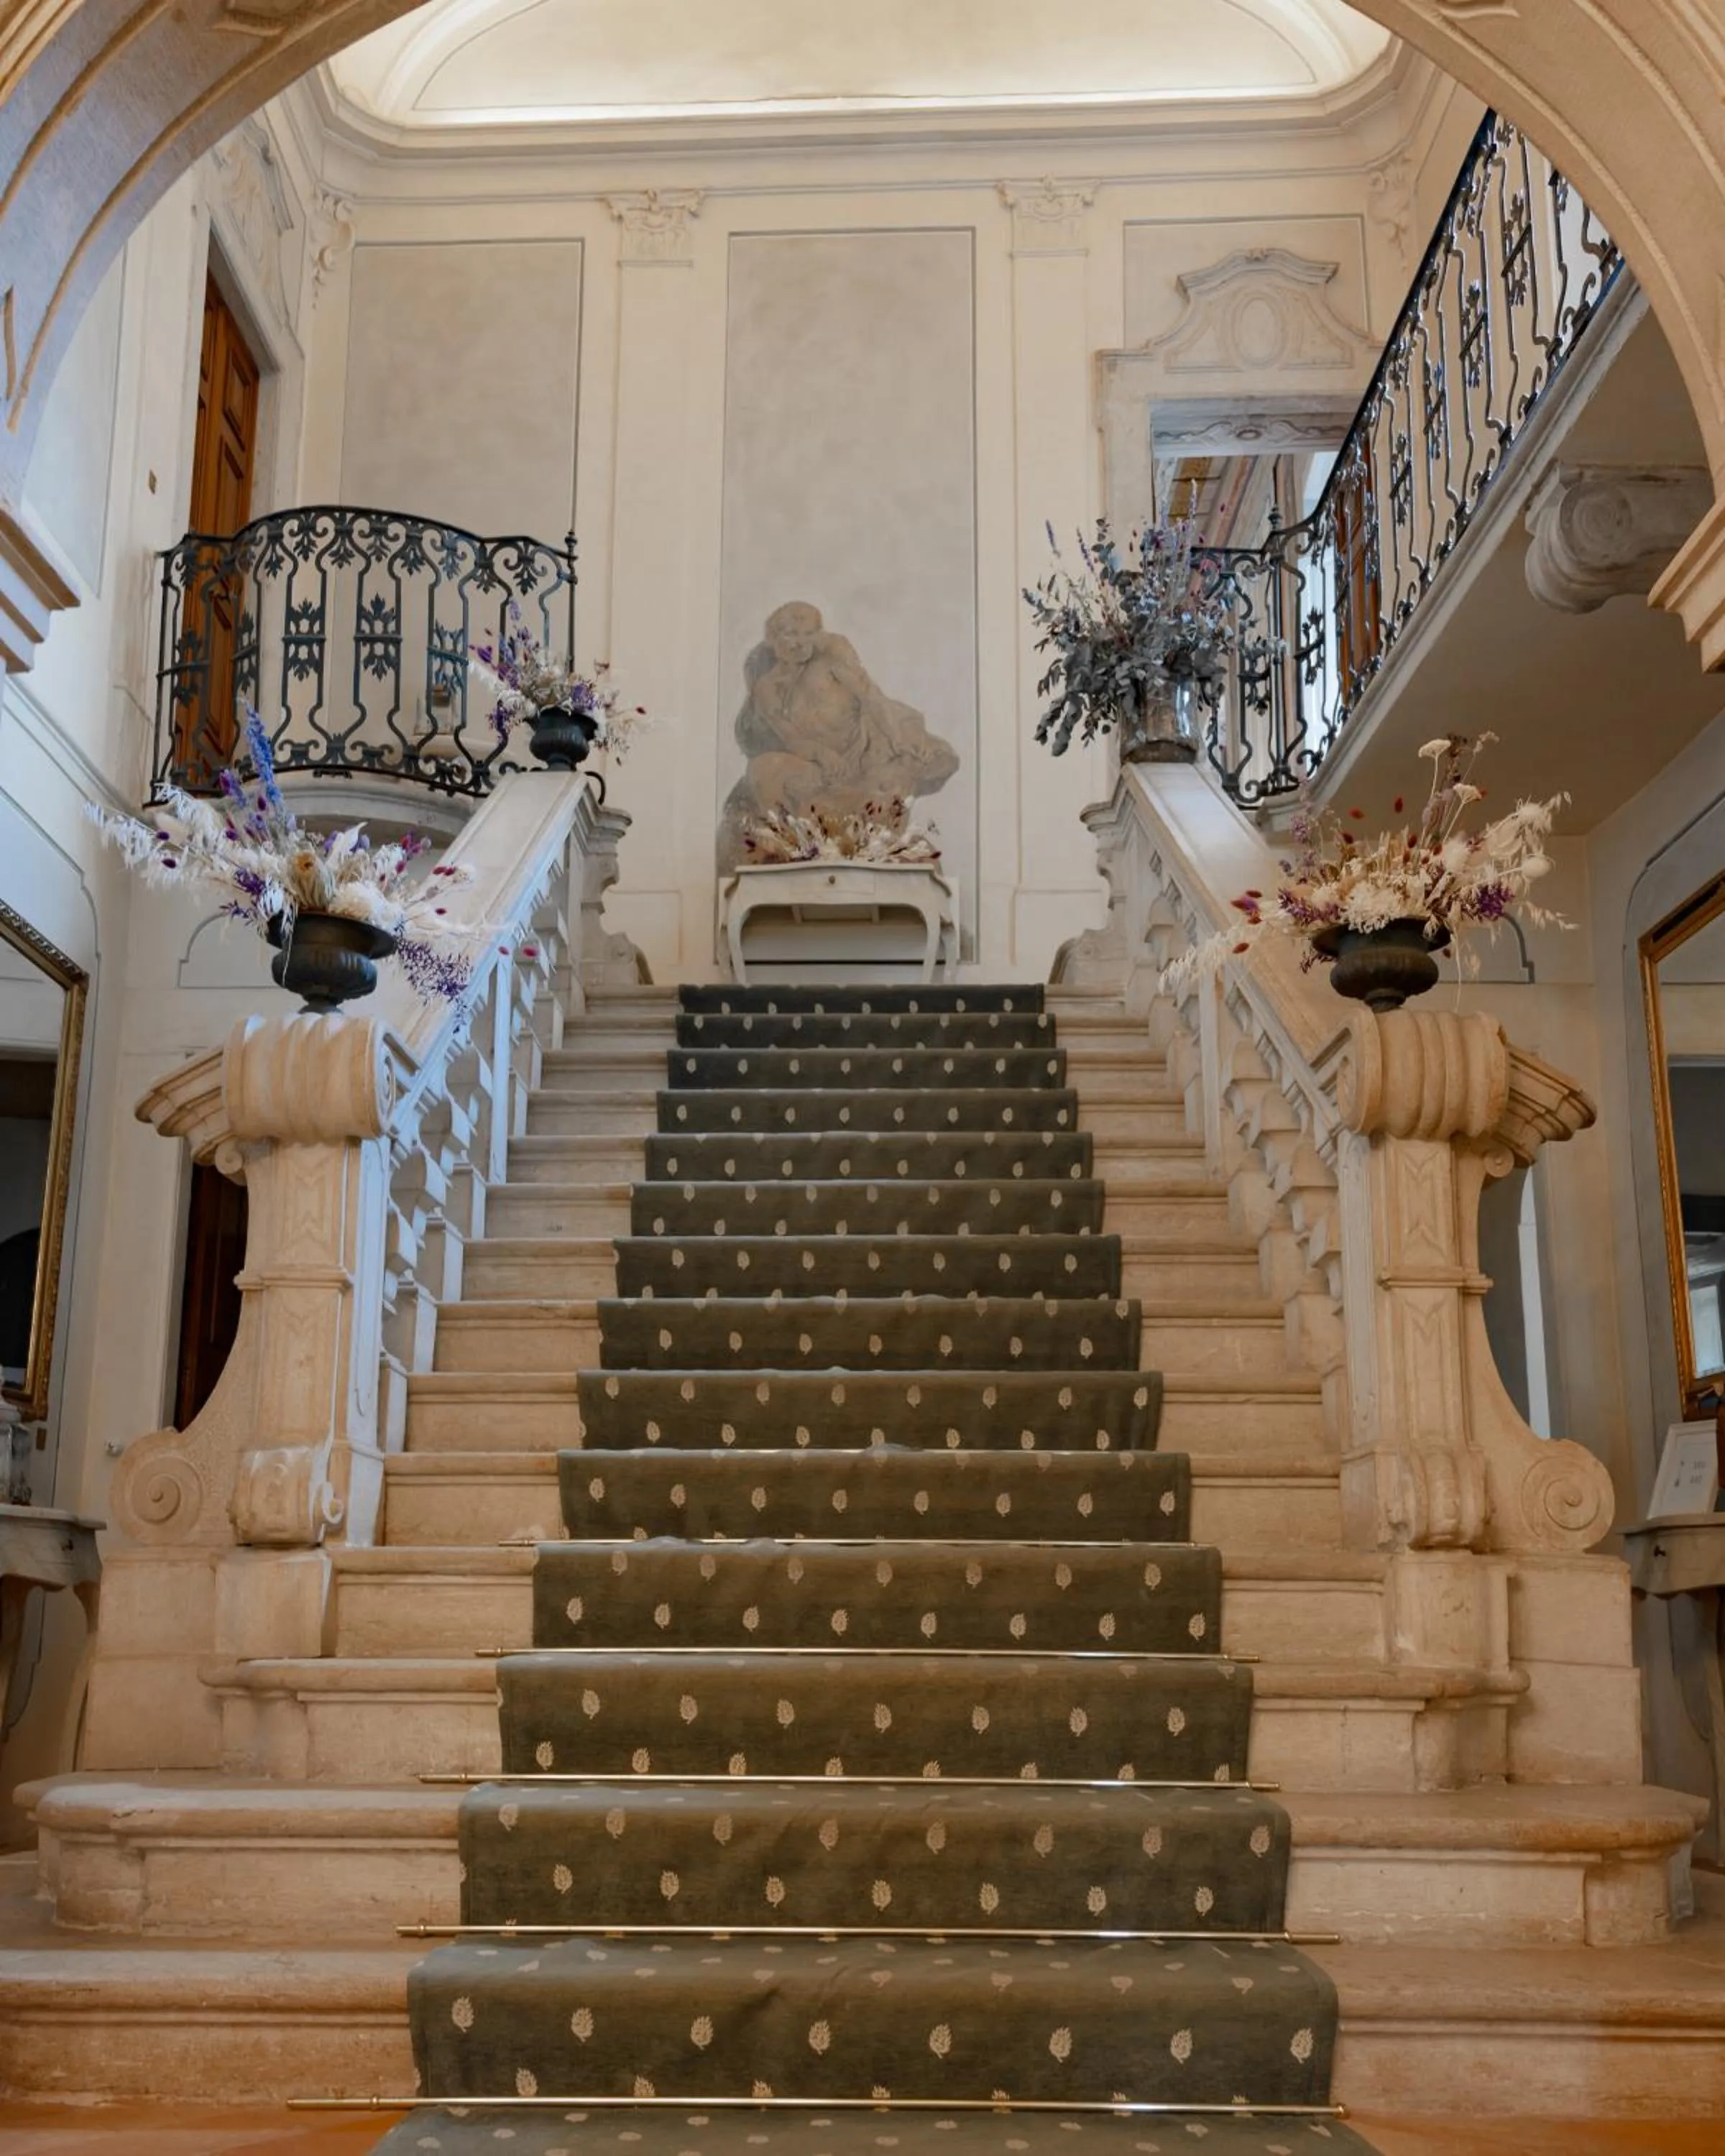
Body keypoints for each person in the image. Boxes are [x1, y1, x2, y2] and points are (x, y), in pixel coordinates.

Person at [719, 602, 957, 867]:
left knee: (903, 771)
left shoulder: (832, 655)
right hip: (817, 764)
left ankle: (874, 846)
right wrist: (823, 755)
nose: (801, 642)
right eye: (791, 634)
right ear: (773, 638)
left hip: (866, 748)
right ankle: (794, 848)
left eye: (809, 633)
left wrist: (897, 735)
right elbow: (792, 738)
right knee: (764, 770)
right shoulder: (767, 688)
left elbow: (869, 695)